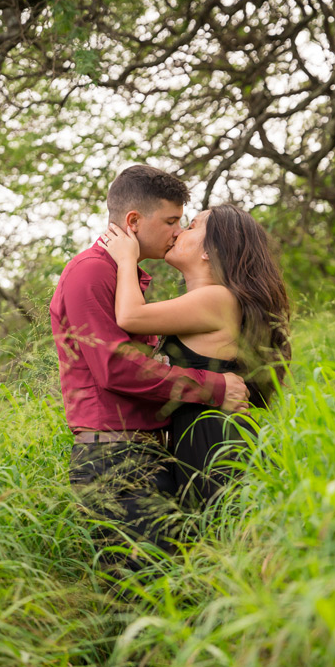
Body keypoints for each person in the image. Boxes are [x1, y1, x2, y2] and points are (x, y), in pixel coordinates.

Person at [49, 165, 250, 560]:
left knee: (175, 593)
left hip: (150, 455)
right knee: (144, 599)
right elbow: (116, 369)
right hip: (117, 460)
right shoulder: (91, 273)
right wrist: (215, 388)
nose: (177, 231)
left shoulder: (128, 280)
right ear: (134, 221)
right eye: (172, 221)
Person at [104, 203, 291, 505]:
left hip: (216, 441)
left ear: (210, 252)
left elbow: (130, 316)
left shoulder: (217, 298)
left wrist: (127, 260)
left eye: (191, 226)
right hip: (203, 441)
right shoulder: (207, 301)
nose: (178, 232)